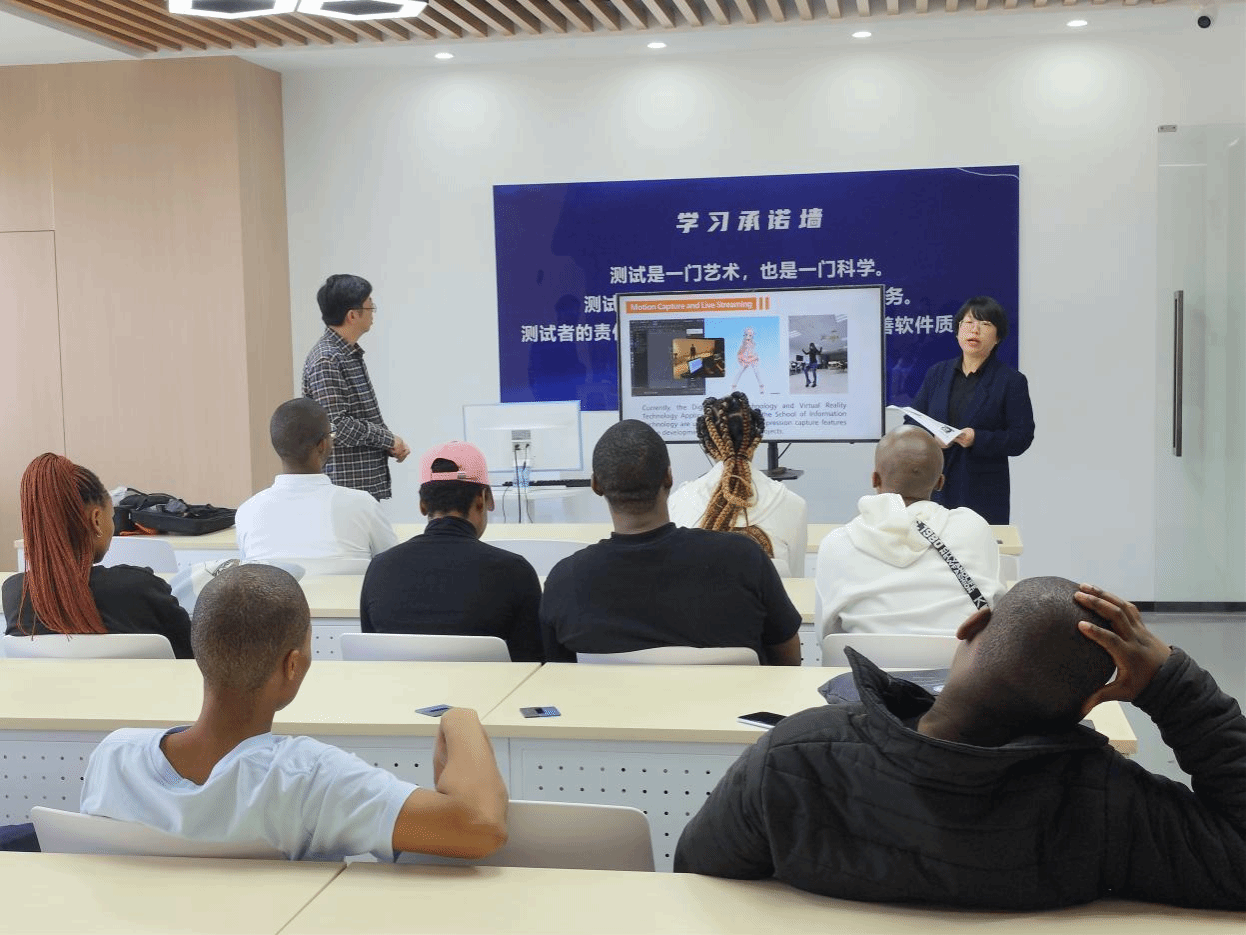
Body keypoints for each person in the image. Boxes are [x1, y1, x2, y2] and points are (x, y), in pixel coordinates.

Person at [675, 577, 1246, 911]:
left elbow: (698, 882)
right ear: (1087, 707)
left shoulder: (794, 759)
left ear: (971, 626)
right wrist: (1170, 683)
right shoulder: (1108, 802)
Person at [80, 564, 508, 862]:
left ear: (201, 652)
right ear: (292, 665)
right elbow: (480, 826)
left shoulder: (115, 755)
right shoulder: (308, 777)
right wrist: (461, 718)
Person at [541, 420, 802, 665]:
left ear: (596, 485)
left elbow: (554, 675)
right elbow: (788, 663)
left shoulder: (566, 581)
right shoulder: (743, 559)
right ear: (669, 477)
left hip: (614, 702)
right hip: (731, 701)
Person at [814, 425, 1005, 640]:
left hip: (868, 662)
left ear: (875, 479)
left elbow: (826, 638)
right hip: (958, 659)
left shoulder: (838, 543)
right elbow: (996, 608)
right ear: (940, 482)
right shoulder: (973, 528)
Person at [361, 441, 544, 662]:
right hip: (486, 685)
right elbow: (536, 663)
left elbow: (371, 656)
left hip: (402, 685)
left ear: (422, 504)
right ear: (482, 499)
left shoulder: (380, 567)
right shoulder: (514, 571)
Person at [2, 452, 192, 658]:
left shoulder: (16, 595)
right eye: (112, 517)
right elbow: (194, 655)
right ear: (96, 520)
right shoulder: (142, 588)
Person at [235, 399, 398, 575]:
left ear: (276, 446)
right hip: (347, 594)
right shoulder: (364, 505)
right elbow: (394, 566)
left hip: (278, 594)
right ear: (322, 445)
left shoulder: (247, 512)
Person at [909, 296, 1034, 524]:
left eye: (985, 324)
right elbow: (912, 423)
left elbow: (1021, 437)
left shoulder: (1010, 381)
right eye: (968, 323)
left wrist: (977, 438)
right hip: (933, 487)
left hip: (982, 491)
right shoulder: (937, 374)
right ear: (957, 332)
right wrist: (932, 439)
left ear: (998, 337)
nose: (974, 330)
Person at [668, 393, 808, 577]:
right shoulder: (793, 505)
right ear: (755, 441)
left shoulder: (678, 501)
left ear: (709, 446)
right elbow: (794, 584)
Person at [302, 274, 409, 500]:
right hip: (344, 487)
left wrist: (387, 442)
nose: (373, 314)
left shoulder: (346, 353)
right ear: (352, 315)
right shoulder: (327, 360)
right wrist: (388, 439)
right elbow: (337, 426)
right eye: (370, 307)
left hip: (359, 485)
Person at [732, 327, 764, 394]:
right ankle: (734, 386)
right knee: (740, 371)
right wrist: (741, 358)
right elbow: (740, 351)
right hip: (745, 358)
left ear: (752, 335)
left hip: (752, 358)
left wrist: (755, 356)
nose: (748, 337)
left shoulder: (753, 343)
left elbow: (753, 350)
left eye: (750, 335)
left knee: (756, 371)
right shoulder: (744, 343)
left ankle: (761, 386)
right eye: (747, 335)